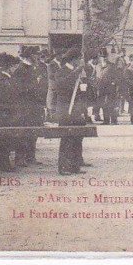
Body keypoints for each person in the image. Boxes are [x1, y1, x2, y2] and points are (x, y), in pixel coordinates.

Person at [53, 47, 90, 175]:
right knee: (66, 139)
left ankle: (75, 166)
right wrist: (75, 73)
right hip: (65, 110)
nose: (81, 61)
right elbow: (61, 86)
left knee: (77, 138)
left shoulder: (79, 72)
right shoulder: (61, 72)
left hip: (76, 110)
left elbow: (83, 90)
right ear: (73, 60)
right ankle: (63, 167)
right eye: (79, 59)